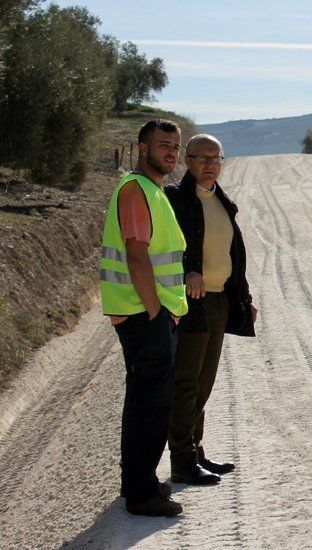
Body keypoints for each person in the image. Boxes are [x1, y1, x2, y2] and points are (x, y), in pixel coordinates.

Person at [99, 119, 187, 517]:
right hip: (144, 315)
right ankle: (142, 492)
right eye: (163, 145)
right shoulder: (136, 189)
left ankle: (138, 482)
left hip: (147, 314)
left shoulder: (151, 189)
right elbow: (137, 255)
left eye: (175, 147)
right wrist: (157, 311)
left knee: (146, 402)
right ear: (142, 147)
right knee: (151, 405)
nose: (170, 152)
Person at [164, 134, 257, 486]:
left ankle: (196, 451)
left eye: (215, 157)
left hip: (219, 300)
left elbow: (233, 256)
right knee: (186, 383)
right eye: (202, 157)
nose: (209, 164)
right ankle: (182, 462)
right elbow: (166, 249)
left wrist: (245, 300)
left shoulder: (221, 200)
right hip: (191, 302)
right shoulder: (175, 199)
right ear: (187, 160)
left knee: (204, 382)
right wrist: (186, 270)